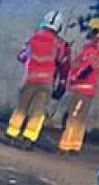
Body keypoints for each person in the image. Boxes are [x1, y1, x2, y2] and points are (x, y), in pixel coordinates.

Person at [5, 10, 70, 148]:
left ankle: (12, 133)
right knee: (38, 111)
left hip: (29, 79)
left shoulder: (33, 38)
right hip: (46, 83)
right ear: (59, 26)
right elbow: (64, 64)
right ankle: (29, 138)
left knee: (21, 107)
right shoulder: (60, 44)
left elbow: (21, 56)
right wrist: (62, 83)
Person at [58, 16, 99, 153]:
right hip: (86, 90)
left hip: (82, 89)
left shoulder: (94, 50)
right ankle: (74, 145)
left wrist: (74, 77)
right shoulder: (97, 48)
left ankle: (66, 145)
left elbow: (87, 68)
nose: (88, 32)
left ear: (96, 31)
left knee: (73, 116)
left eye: (90, 29)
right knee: (80, 117)